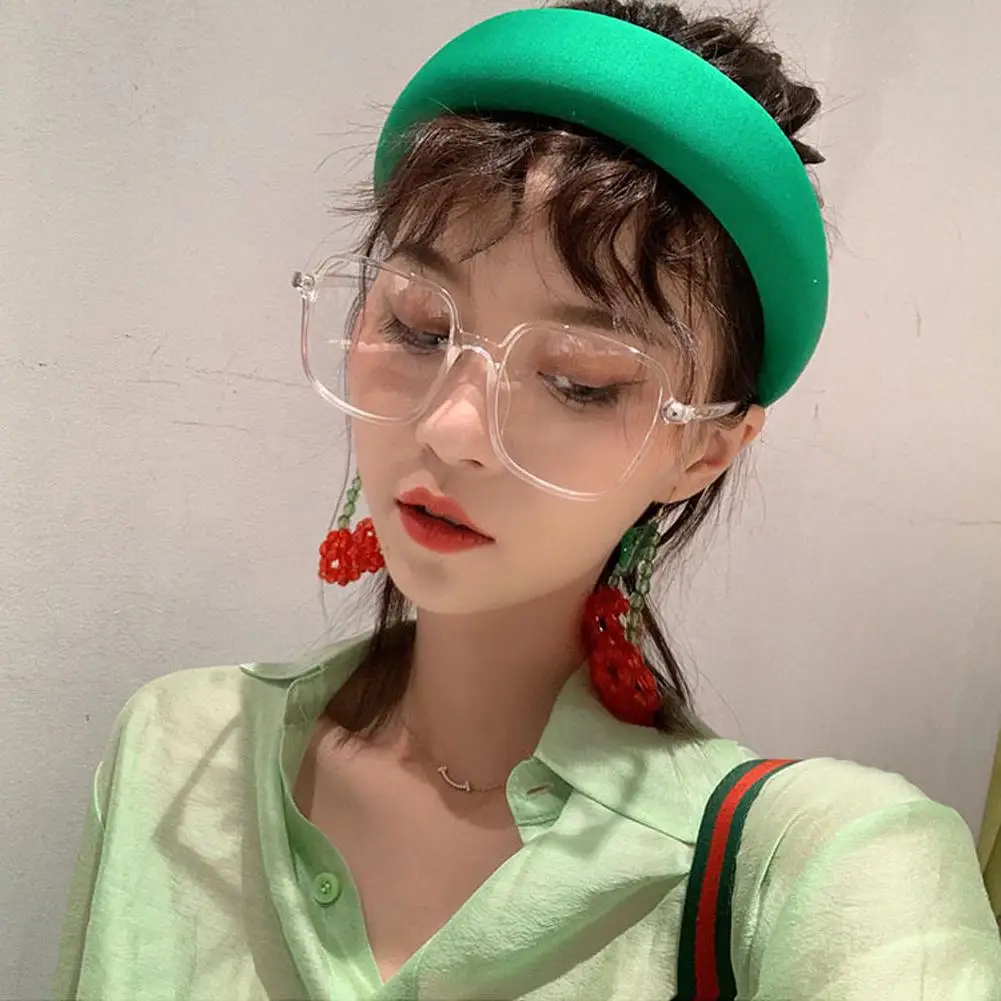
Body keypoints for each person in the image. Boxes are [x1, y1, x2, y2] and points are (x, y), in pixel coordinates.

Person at [54, 2, 1001, 999]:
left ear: (703, 451)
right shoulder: (177, 753)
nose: (450, 427)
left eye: (580, 379)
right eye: (418, 326)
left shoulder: (815, 862)